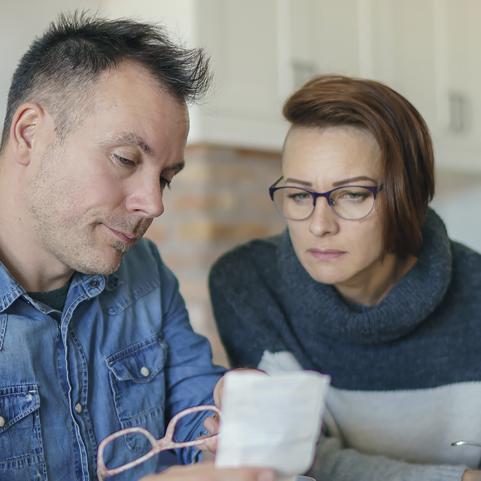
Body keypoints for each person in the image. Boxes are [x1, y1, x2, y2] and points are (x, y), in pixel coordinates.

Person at [209, 75, 481, 481]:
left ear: (408, 197)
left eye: (352, 195)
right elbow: (296, 460)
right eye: (300, 195)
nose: (319, 225)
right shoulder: (248, 286)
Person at [0, 11, 232, 481]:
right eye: (126, 159)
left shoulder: (143, 269)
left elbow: (197, 413)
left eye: (166, 179)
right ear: (30, 134)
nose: (153, 205)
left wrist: (228, 429)